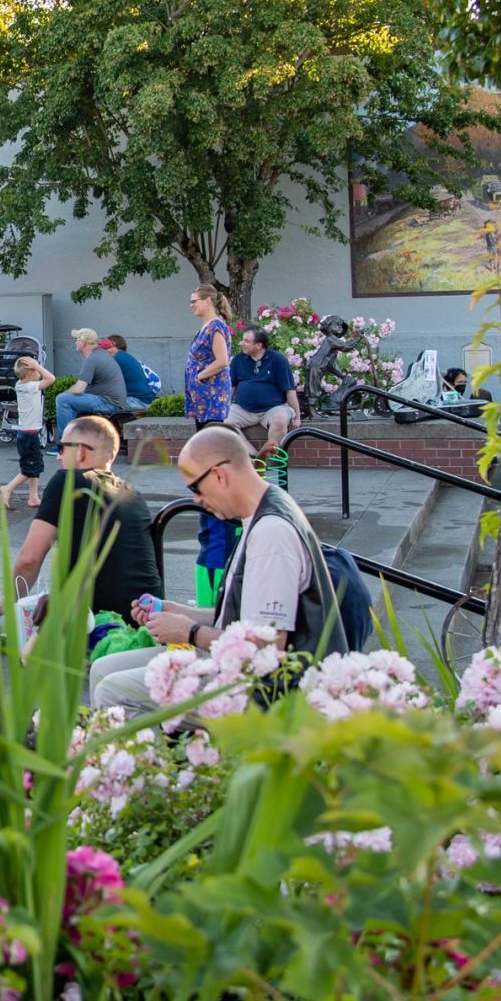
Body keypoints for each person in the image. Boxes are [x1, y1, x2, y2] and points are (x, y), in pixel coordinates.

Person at [89, 426, 348, 714]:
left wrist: (190, 632)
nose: (197, 500)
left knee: (114, 691)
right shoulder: (260, 513)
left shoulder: (271, 534)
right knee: (103, 669)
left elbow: (266, 648)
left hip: (265, 691)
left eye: (195, 489)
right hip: (239, 667)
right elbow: (241, 619)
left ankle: (152, 755)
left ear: (219, 476)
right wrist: (177, 611)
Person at [1, 416, 162, 627]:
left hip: (96, 623)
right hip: (145, 619)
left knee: (11, 627)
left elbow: (29, 560)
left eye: (61, 448)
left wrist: (9, 602)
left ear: (80, 451)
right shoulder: (132, 494)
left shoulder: (67, 481)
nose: (59, 457)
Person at [226, 325, 301, 456]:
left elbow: (289, 390)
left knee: (280, 419)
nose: (242, 343)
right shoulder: (238, 359)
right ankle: (255, 456)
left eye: (246, 341)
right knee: (223, 421)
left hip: (273, 408)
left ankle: (269, 457)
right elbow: (231, 387)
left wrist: (297, 417)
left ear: (258, 345)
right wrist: (224, 406)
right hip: (243, 409)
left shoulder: (277, 359)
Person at [50, 328, 129, 444]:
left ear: (83, 343)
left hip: (108, 402)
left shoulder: (92, 359)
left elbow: (79, 388)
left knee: (62, 399)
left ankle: (66, 443)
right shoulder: (100, 354)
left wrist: (64, 393)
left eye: (76, 339)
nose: (75, 342)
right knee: (69, 400)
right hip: (113, 400)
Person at [0, 352, 54, 509]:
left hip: (26, 434)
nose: (39, 371)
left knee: (33, 466)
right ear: (30, 373)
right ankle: (7, 488)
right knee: (30, 468)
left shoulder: (19, 384)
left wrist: (34, 366)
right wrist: (37, 365)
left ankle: (33, 497)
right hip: (29, 436)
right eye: (36, 369)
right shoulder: (30, 386)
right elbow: (51, 379)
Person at [184, 286, 233, 428]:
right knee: (204, 440)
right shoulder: (206, 326)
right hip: (202, 395)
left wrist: (198, 377)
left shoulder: (215, 326)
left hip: (211, 395)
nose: (191, 305)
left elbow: (222, 361)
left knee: (212, 440)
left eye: (194, 301)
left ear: (207, 301)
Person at [102, 335, 156, 410]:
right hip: (143, 400)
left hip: (136, 401)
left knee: (97, 403)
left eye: (106, 347)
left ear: (113, 344)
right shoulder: (125, 356)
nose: (103, 350)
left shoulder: (117, 359)